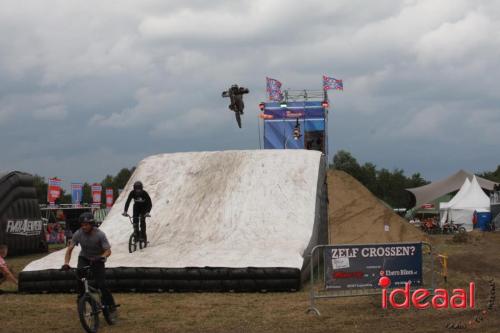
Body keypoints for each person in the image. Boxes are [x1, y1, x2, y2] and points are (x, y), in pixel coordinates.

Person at [62, 212, 115, 310]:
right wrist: (66, 263)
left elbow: (108, 251)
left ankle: (110, 303)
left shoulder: (100, 235)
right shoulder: (78, 234)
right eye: (82, 225)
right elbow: (69, 249)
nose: (84, 227)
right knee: (79, 278)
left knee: (102, 284)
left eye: (86, 225)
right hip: (84, 258)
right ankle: (83, 298)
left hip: (98, 259)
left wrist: (103, 257)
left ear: (92, 224)